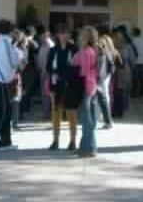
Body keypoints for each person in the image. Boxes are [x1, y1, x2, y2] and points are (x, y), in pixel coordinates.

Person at [0, 19, 23, 151]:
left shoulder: (1, 41)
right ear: (10, 30)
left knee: (7, 111)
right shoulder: (6, 42)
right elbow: (14, 62)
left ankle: (5, 142)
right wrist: (18, 51)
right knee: (1, 112)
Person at [46, 24, 80, 151]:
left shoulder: (74, 49)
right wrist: (53, 75)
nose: (64, 36)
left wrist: (66, 76)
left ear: (69, 35)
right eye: (61, 33)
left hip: (70, 85)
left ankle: (73, 141)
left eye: (66, 33)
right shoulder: (53, 50)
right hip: (55, 85)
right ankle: (55, 140)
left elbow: (76, 68)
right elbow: (48, 67)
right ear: (58, 35)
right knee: (56, 113)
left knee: (71, 113)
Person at [72, 25, 100, 158]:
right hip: (92, 86)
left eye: (82, 34)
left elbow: (83, 71)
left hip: (85, 86)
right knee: (90, 118)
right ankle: (85, 146)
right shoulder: (93, 50)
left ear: (86, 37)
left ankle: (89, 148)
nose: (79, 36)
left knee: (86, 119)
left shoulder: (85, 52)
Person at [96, 25, 118, 129]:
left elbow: (101, 59)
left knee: (101, 96)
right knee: (106, 95)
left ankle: (102, 117)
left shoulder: (102, 42)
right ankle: (106, 117)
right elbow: (113, 56)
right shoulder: (109, 41)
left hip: (102, 74)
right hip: (107, 74)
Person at [36, 26, 55, 120]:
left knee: (47, 94)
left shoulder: (49, 45)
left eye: (41, 35)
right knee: (45, 94)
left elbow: (49, 60)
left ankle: (47, 113)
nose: (40, 37)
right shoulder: (44, 45)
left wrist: (46, 71)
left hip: (47, 73)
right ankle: (46, 112)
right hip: (43, 72)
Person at [131, 27, 143, 98]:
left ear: (134, 33)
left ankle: (134, 94)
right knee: (142, 79)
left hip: (135, 62)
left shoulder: (132, 41)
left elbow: (132, 52)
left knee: (135, 79)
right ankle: (142, 93)